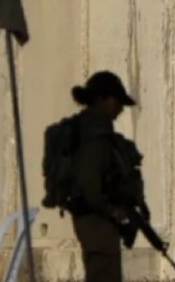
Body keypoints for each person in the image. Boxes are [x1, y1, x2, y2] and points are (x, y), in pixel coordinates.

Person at [68, 70, 138, 282]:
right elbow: (89, 183)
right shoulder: (95, 136)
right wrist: (111, 210)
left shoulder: (90, 130)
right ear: (103, 100)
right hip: (96, 220)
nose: (119, 110)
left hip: (95, 220)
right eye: (117, 102)